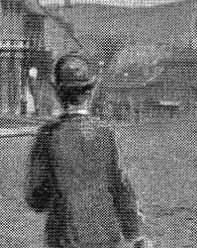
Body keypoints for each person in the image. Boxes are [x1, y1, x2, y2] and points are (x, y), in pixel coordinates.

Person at [26, 54, 146, 248]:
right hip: (106, 237)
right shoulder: (105, 134)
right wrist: (135, 234)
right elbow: (121, 187)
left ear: (58, 93)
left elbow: (35, 198)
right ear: (90, 92)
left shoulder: (47, 135)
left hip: (64, 237)